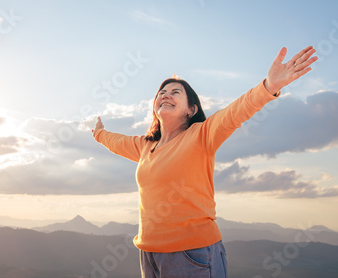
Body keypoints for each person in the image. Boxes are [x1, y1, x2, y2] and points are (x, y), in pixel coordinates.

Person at [92, 46, 318, 278]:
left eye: (175, 92)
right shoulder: (146, 146)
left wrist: (269, 86)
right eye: (162, 92)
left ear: (192, 109)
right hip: (149, 254)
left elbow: (234, 113)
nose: (165, 94)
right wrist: (99, 134)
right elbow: (117, 142)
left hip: (190, 254)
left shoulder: (201, 135)